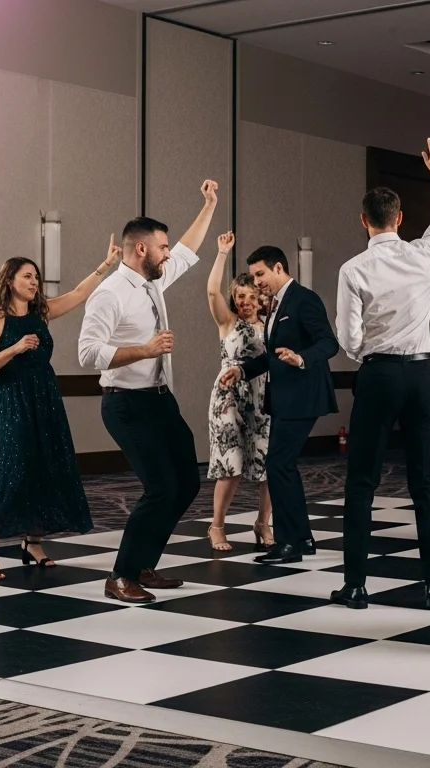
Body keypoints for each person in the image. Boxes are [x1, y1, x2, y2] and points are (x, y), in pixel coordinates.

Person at [325, 139, 430, 609]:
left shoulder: (353, 268)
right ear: (399, 219)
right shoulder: (423, 255)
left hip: (378, 374)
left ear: (364, 221)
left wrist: (370, 354)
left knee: (362, 481)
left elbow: (349, 339)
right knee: (426, 483)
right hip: (422, 375)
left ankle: (356, 585)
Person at [78, 179, 220, 603]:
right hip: (125, 405)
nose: (167, 253)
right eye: (162, 247)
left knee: (187, 484)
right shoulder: (110, 294)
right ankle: (119, 576)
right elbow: (87, 354)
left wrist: (209, 204)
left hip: (160, 400)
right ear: (141, 249)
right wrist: (145, 349)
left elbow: (190, 249)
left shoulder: (153, 280)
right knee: (160, 488)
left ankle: (144, 565)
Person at [0, 243, 121, 580]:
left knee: (45, 464)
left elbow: (80, 293)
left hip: (45, 397)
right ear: (9, 280)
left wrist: (106, 263)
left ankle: (32, 541)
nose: (34, 281)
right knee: (14, 468)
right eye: (27, 276)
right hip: (13, 398)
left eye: (36, 277)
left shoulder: (41, 314)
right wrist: (16, 347)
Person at [219, 246, 338, 565]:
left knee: (278, 465)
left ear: (278, 268)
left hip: (303, 395)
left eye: (260, 274)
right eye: (254, 276)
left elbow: (328, 343)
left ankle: (290, 543)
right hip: (286, 397)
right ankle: (302, 538)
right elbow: (271, 356)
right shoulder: (274, 305)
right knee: (283, 466)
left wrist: (301, 359)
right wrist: (242, 370)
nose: (256, 282)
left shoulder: (303, 298)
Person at [204, 231, 273, 552]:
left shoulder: (271, 326)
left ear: (261, 298)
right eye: (240, 296)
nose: (244, 301)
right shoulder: (227, 323)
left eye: (250, 296)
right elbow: (210, 291)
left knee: (267, 466)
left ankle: (263, 523)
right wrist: (221, 253)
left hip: (263, 400)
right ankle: (217, 526)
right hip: (229, 400)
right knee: (230, 465)